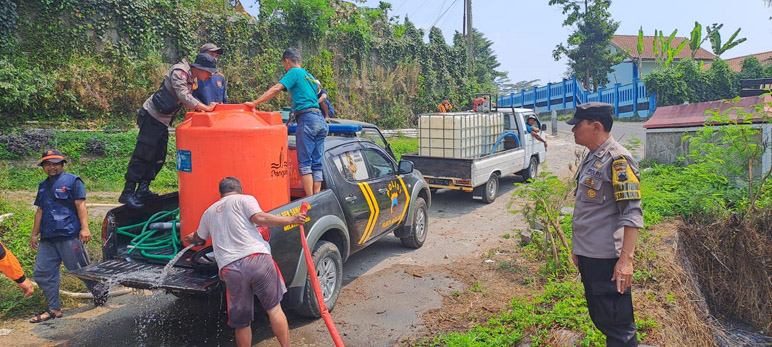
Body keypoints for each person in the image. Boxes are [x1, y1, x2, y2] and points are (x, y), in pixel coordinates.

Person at [184, 177, 307, 347]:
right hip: (258, 260)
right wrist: (291, 220)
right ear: (240, 189)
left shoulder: (209, 212)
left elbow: (199, 236)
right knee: (274, 309)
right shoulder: (245, 199)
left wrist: (191, 237)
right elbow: (260, 218)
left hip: (231, 269)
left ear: (221, 193)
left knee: (242, 323)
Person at [567, 102, 643, 346]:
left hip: (607, 260)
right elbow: (590, 211)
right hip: (590, 255)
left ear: (596, 126)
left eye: (578, 125)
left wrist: (626, 261)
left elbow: (631, 213)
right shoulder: (592, 156)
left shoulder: (618, 160)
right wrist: (578, 248)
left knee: (618, 326)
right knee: (603, 318)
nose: (573, 131)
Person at [119, 53, 217, 209]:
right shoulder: (180, 71)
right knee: (143, 154)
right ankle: (128, 191)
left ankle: (143, 189)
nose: (211, 75)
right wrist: (205, 108)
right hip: (152, 117)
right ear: (199, 68)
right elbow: (183, 96)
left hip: (163, 120)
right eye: (209, 71)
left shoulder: (192, 77)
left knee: (159, 155)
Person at [29, 149, 107, 323]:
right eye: (48, 164)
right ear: (43, 167)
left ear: (62, 164)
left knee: (81, 270)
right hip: (48, 238)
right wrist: (34, 234)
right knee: (42, 272)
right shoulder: (43, 186)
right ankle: (54, 309)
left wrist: (85, 229)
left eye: (55, 163)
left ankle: (101, 293)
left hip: (69, 235)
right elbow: (40, 211)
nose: (52, 167)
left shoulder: (73, 181)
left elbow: (81, 206)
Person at [245, 48, 328, 197]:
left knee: (305, 163)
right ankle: (316, 197)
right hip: (320, 121)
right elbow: (318, 93)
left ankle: (310, 198)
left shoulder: (294, 72)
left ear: (287, 62)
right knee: (317, 163)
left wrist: (255, 102)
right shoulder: (311, 77)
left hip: (307, 119)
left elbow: (277, 88)